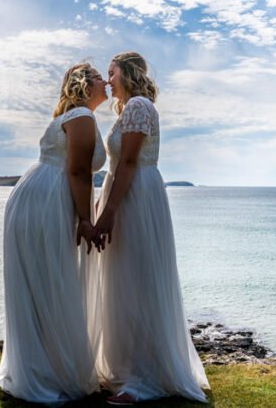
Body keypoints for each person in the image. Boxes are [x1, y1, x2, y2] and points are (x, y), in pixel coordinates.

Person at [90, 51, 209, 405]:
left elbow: (128, 161)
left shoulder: (139, 106)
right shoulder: (131, 108)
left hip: (136, 198)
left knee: (138, 282)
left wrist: (110, 210)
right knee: (124, 282)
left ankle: (144, 381)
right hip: (128, 193)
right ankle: (127, 369)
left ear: (126, 73)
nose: (108, 81)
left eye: (111, 74)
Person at [0, 63, 108, 403]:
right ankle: (51, 373)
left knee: (42, 283)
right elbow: (77, 171)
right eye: (101, 76)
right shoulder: (82, 118)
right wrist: (86, 221)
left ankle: (42, 365)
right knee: (53, 281)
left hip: (35, 196)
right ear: (87, 85)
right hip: (47, 201)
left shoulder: (74, 116)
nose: (106, 80)